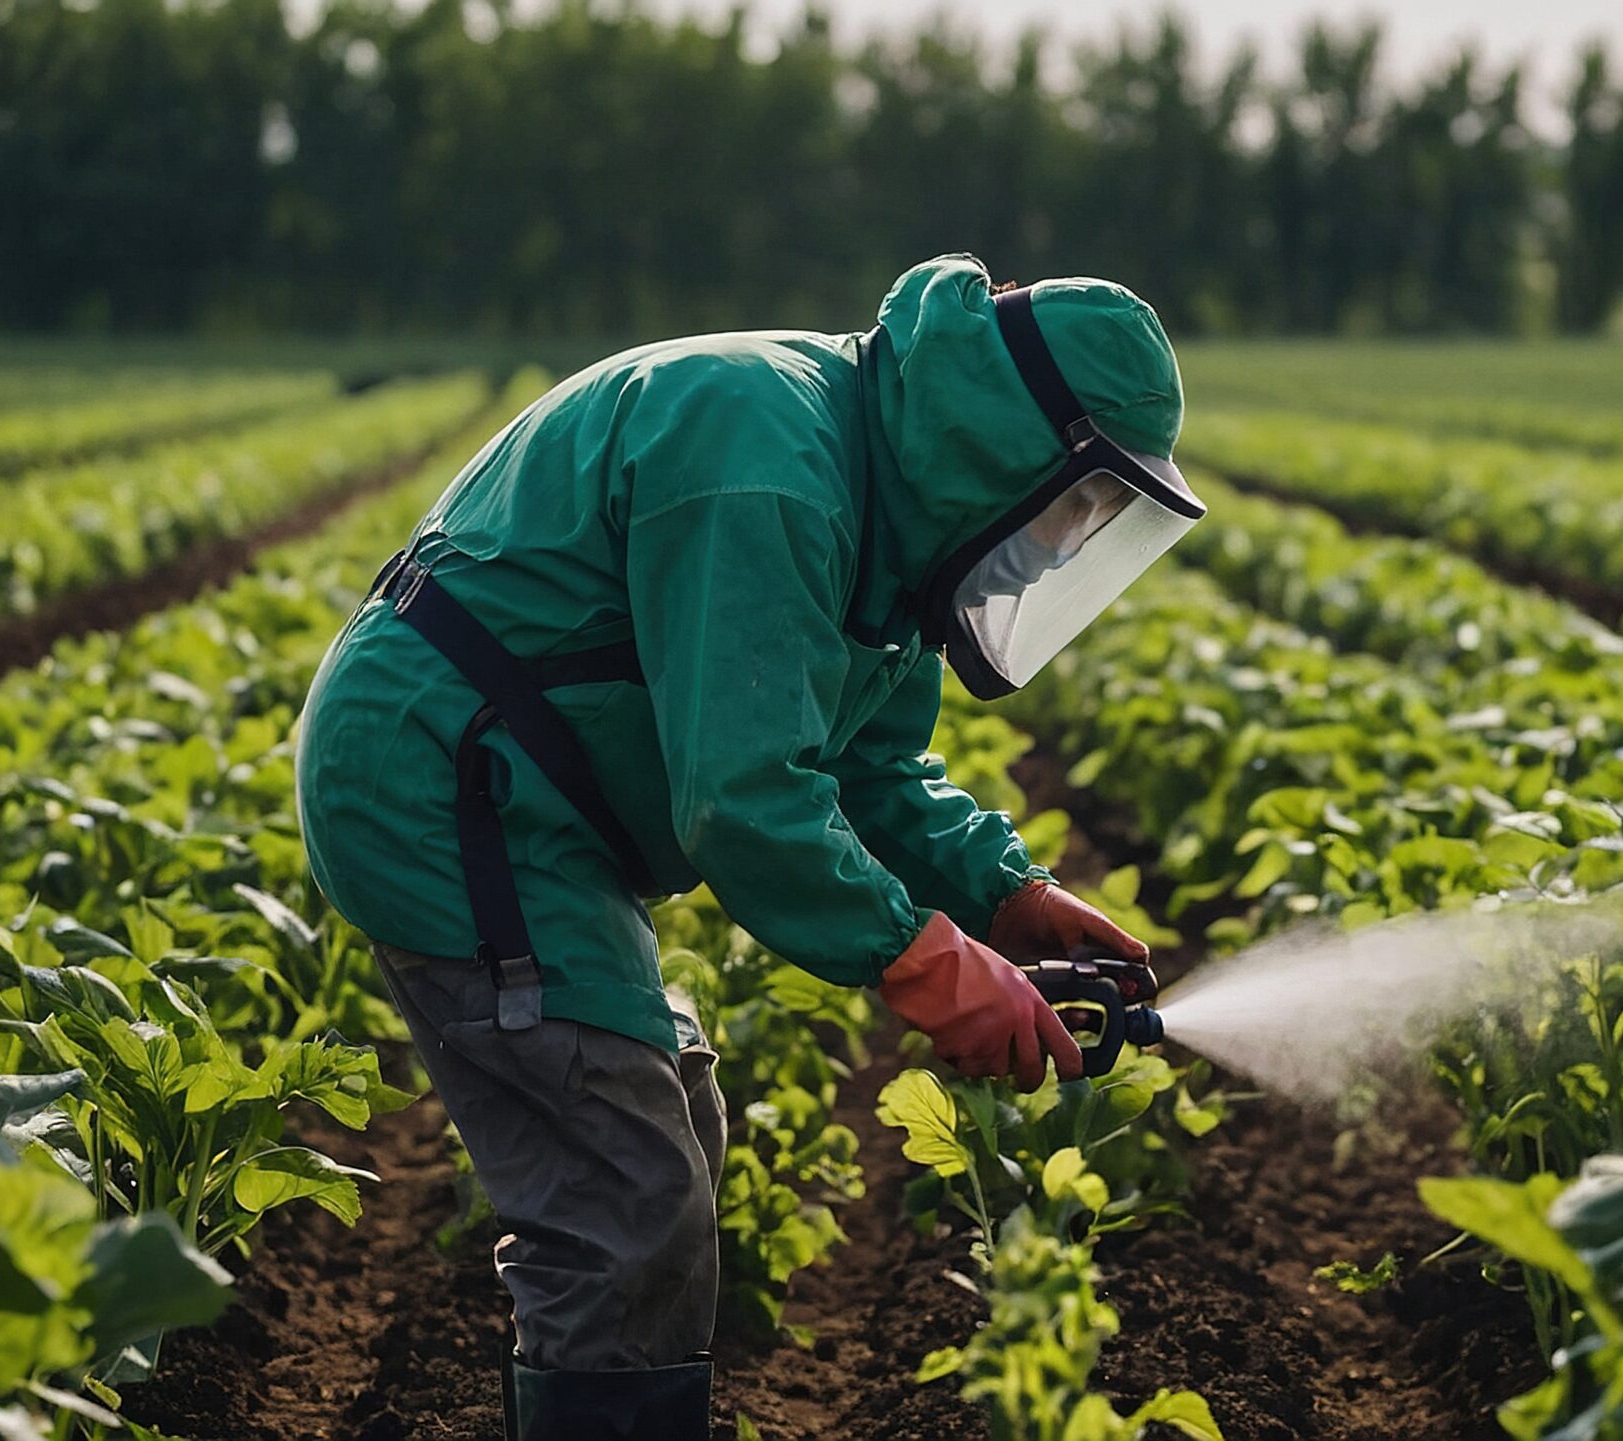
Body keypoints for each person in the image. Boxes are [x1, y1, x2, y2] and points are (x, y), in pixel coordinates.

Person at [292, 253, 1202, 1441]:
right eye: (1077, 502)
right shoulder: (770, 465)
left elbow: (872, 769)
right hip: (443, 784)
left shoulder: (891, 505)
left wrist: (1002, 893)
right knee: (626, 1189)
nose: (1067, 542)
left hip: (530, 808)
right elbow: (741, 796)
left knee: (673, 1119)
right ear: (1009, 440)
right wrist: (925, 962)